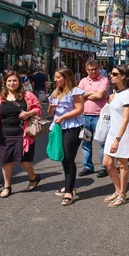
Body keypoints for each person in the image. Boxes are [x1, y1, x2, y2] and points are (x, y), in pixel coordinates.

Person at [0, 72, 42, 198]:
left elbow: (38, 109)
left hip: (22, 133)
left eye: (14, 81)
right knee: (6, 161)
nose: (12, 83)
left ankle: (33, 178)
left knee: (23, 161)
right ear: (5, 83)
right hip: (4, 134)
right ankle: (7, 186)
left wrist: (28, 114)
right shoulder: (0, 98)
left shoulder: (27, 96)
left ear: (19, 82)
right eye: (9, 81)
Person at [48, 68, 84, 206]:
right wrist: (51, 107)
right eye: (55, 77)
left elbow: (80, 109)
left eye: (58, 77)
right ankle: (70, 185)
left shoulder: (75, 91)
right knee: (63, 158)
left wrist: (63, 116)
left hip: (72, 127)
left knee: (69, 158)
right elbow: (51, 112)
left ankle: (68, 191)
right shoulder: (56, 92)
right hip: (58, 127)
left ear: (66, 78)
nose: (55, 80)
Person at [102, 65, 129, 207]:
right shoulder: (115, 92)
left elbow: (126, 119)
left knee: (122, 164)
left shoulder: (128, 94)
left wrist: (117, 139)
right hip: (113, 131)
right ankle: (118, 190)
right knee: (107, 163)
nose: (111, 76)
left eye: (115, 74)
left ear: (123, 76)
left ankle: (122, 194)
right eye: (111, 73)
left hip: (123, 134)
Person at [77, 60, 109, 177]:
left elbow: (100, 95)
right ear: (86, 70)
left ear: (99, 68)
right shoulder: (83, 81)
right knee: (86, 143)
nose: (93, 71)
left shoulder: (104, 80)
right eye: (90, 70)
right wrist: (92, 93)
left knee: (102, 143)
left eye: (95, 69)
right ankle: (88, 166)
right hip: (85, 116)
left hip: (100, 116)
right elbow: (77, 96)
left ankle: (104, 167)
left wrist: (86, 94)